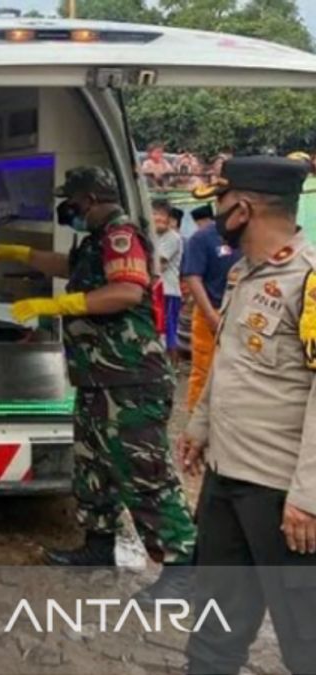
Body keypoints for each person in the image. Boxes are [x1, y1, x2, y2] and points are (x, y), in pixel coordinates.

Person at [0, 166, 196, 599]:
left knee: (144, 473)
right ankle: (98, 545)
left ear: (91, 199)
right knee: (94, 466)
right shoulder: (96, 241)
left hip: (130, 378)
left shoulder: (122, 235)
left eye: (73, 202)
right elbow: (70, 265)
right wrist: (23, 255)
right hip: (100, 377)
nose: (70, 210)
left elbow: (127, 292)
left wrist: (61, 303)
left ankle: (182, 565)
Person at [181, 157, 316, 674]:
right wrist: (199, 423)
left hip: (282, 496)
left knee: (305, 639)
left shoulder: (307, 282)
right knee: (215, 628)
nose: (214, 214)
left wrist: (307, 495)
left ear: (242, 207)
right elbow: (230, 359)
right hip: (226, 480)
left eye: (219, 202)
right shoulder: (243, 273)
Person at [181, 203, 240, 411]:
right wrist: (210, 315)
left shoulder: (251, 234)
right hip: (211, 311)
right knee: (204, 370)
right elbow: (192, 276)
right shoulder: (203, 238)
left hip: (244, 313)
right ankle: (197, 419)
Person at [152, 199, 184, 361]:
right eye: (155, 214)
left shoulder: (172, 237)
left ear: (170, 219)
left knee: (168, 330)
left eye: (162, 215)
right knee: (161, 330)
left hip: (168, 291)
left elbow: (159, 264)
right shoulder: (155, 237)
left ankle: (173, 365)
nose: (158, 218)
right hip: (158, 290)